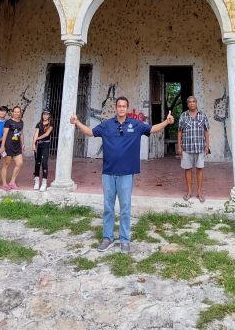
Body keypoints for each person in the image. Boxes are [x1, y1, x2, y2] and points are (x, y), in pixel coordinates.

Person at [70, 96, 173, 254]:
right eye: (119, 106)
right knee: (108, 207)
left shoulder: (135, 125)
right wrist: (77, 122)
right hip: (108, 173)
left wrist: (166, 122)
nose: (122, 108)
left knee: (125, 208)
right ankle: (108, 238)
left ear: (127, 107)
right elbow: (90, 132)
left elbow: (152, 129)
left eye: (124, 106)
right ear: (116, 108)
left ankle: (125, 239)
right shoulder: (107, 125)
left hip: (126, 173)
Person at [177, 95, 211, 202]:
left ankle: (199, 192)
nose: (192, 103)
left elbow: (206, 131)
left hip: (200, 147)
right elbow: (179, 131)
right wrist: (179, 146)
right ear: (187, 104)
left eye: (193, 101)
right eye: (189, 102)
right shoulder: (183, 116)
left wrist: (207, 146)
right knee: (187, 169)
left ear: (196, 103)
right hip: (187, 148)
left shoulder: (203, 115)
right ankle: (189, 191)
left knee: (199, 169)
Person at [0, 105, 25, 191]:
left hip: (17, 147)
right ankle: (4, 184)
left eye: (18, 112)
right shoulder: (8, 122)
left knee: (20, 163)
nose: (17, 113)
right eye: (15, 112)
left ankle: (12, 182)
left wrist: (23, 144)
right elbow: (5, 134)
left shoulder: (21, 122)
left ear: (20, 113)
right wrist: (2, 146)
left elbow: (21, 134)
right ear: (12, 113)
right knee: (6, 165)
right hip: (8, 146)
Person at [32, 109, 54, 191]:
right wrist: (33, 144)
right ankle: (37, 181)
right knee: (37, 163)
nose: (45, 116)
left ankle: (44, 182)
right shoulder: (39, 124)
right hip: (38, 144)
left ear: (49, 116)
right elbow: (35, 134)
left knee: (44, 162)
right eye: (44, 114)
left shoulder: (50, 124)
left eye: (47, 114)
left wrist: (37, 138)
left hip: (46, 144)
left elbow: (47, 134)